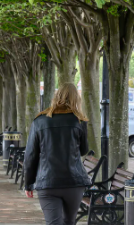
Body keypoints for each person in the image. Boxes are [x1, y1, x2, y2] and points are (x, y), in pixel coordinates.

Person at [23, 83, 91, 225]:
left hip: (48, 182)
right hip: (73, 182)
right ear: (76, 99)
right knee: (69, 221)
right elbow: (84, 150)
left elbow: (30, 156)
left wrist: (28, 184)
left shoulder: (39, 121)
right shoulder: (79, 121)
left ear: (56, 96)